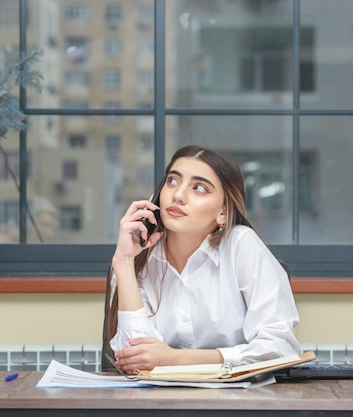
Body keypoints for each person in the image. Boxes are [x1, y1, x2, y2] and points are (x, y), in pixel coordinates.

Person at [107, 145, 301, 374]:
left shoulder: (241, 245)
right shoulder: (138, 259)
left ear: (223, 212)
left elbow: (281, 348)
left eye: (199, 188)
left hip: (238, 402)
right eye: (172, 181)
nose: (178, 195)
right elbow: (135, 360)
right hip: (159, 402)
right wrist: (123, 263)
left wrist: (175, 359)